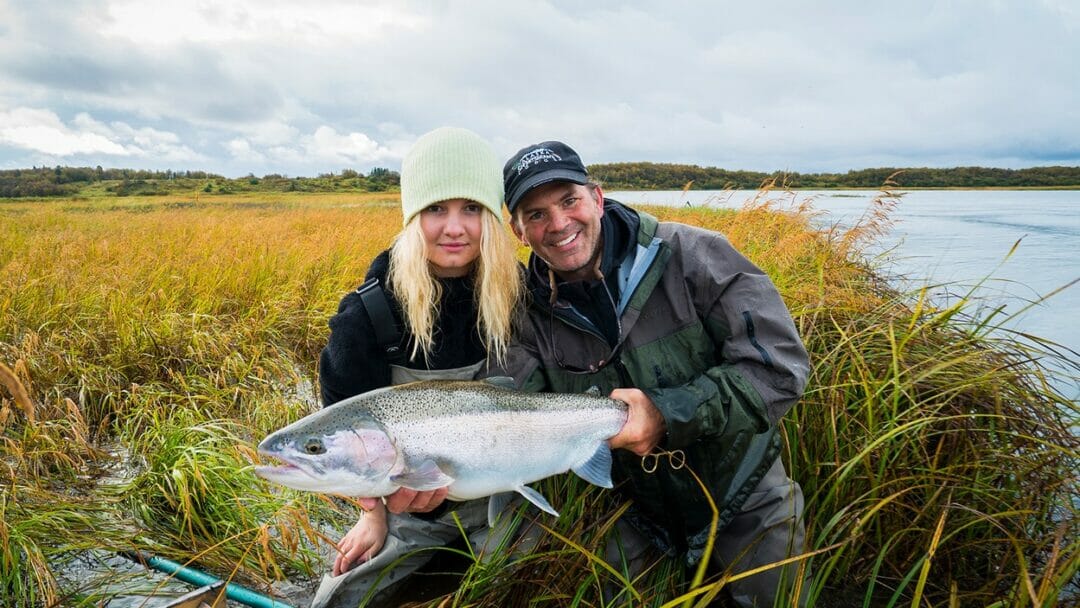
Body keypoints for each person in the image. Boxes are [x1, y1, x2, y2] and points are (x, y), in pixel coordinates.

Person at [492, 140, 811, 607]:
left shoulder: (695, 256)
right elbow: (508, 421)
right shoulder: (521, 315)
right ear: (518, 230)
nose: (559, 225)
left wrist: (666, 414)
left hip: (744, 497)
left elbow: (779, 368)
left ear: (596, 199)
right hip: (626, 514)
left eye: (568, 201)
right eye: (536, 214)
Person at [310, 127, 524, 608]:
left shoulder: (519, 294)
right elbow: (342, 429)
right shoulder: (367, 315)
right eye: (436, 209)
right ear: (412, 217)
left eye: (471, 208)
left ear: (491, 217)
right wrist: (372, 513)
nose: (455, 228)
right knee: (335, 600)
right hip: (405, 506)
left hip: (508, 495)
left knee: (523, 585)